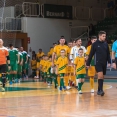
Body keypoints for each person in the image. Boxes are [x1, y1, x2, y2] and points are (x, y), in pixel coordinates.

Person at [86, 31, 111, 96]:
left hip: (104, 62)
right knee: (100, 75)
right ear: (99, 36)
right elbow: (91, 54)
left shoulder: (105, 44)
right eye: (103, 36)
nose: (104, 37)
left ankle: (99, 89)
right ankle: (100, 90)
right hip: (98, 62)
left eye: (105, 36)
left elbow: (108, 53)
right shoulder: (95, 44)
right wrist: (88, 63)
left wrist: (109, 62)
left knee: (102, 77)